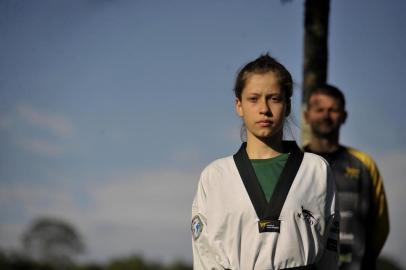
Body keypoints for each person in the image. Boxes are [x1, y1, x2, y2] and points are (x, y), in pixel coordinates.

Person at [191, 54, 339, 269]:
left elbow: (329, 252)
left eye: (274, 98)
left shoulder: (316, 170)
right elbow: (204, 256)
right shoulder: (215, 176)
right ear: (239, 105)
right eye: (253, 99)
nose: (264, 109)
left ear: (287, 106)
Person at [303, 84, 389, 270]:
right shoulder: (293, 163)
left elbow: (380, 226)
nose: (326, 115)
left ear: (344, 116)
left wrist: (363, 260)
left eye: (333, 110)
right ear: (306, 115)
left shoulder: (364, 164)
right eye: (319, 109)